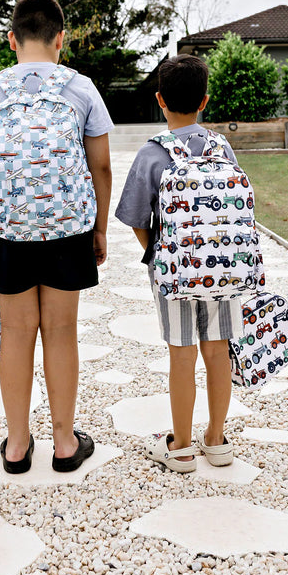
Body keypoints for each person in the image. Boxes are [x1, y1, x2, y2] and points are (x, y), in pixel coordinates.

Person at [0, 0, 113, 473]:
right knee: (61, 331)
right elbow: (100, 165)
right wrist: (98, 227)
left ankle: (18, 445)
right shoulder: (81, 89)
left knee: (16, 334)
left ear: (12, 39)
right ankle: (65, 444)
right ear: (61, 39)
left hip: (7, 230)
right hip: (68, 230)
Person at [115, 54, 244, 472]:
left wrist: (156, 251)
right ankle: (217, 440)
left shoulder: (153, 155)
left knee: (182, 354)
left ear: (159, 100)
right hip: (223, 268)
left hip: (174, 273)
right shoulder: (221, 146)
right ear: (204, 100)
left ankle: (182, 445)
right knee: (218, 350)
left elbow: (135, 216)